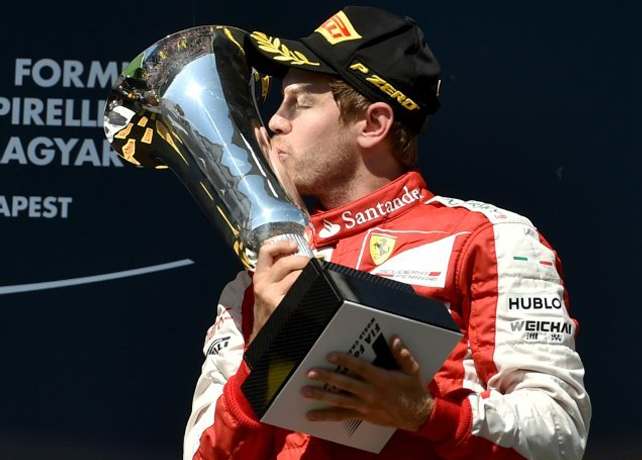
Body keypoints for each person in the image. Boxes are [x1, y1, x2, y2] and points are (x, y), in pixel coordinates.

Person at [183, 6, 591, 460]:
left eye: (300, 102)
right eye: (280, 102)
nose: (274, 122)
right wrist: (261, 358)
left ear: (373, 124)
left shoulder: (488, 238)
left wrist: (426, 415)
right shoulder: (258, 280)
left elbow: (559, 434)